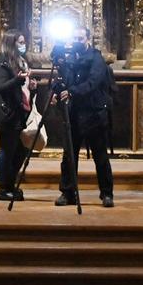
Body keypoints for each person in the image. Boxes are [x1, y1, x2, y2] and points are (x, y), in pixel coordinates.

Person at [54, 29, 116, 207]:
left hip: (94, 113)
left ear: (88, 39)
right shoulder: (71, 58)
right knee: (69, 155)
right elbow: (64, 80)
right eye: (74, 38)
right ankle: (68, 192)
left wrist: (72, 91)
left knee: (100, 156)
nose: (76, 41)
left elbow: (93, 82)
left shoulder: (96, 59)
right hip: (74, 113)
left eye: (80, 38)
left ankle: (106, 193)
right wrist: (57, 90)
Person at [0, 30, 31, 202]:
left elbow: (20, 88)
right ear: (12, 44)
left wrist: (30, 86)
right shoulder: (2, 63)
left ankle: (11, 184)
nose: (23, 45)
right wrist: (18, 81)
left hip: (17, 111)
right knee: (8, 150)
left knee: (21, 150)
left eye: (23, 42)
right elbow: (1, 87)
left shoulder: (19, 62)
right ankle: (4, 189)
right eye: (20, 42)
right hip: (6, 113)